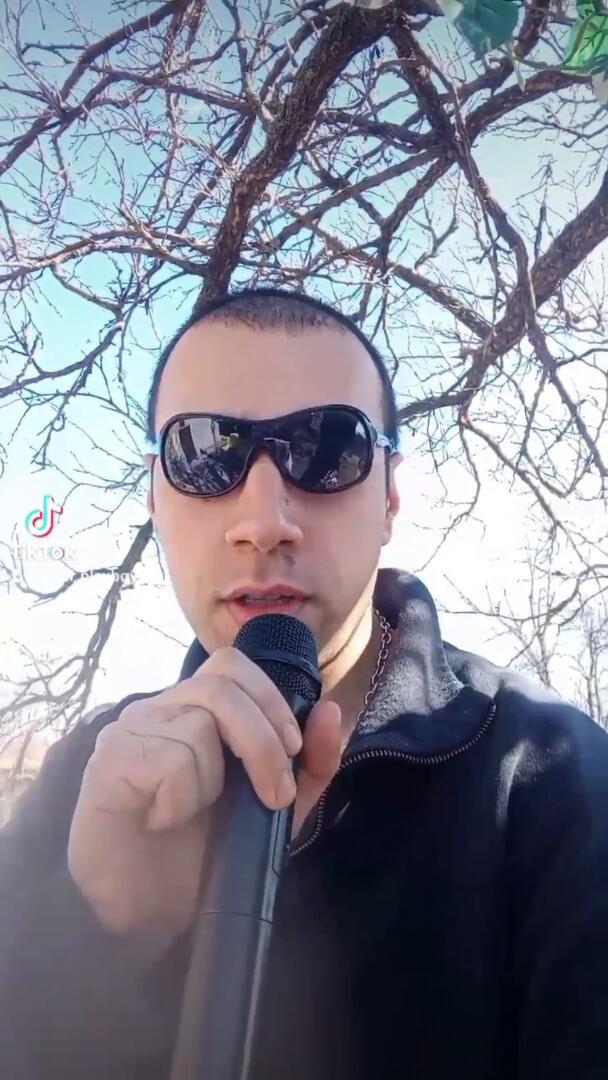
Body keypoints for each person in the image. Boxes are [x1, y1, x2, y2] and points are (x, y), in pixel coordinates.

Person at [1, 286, 607, 1080]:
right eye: (204, 453)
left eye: (327, 450)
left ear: (390, 498)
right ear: (155, 497)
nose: (264, 523)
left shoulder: (556, 779)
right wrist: (98, 931)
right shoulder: (88, 774)